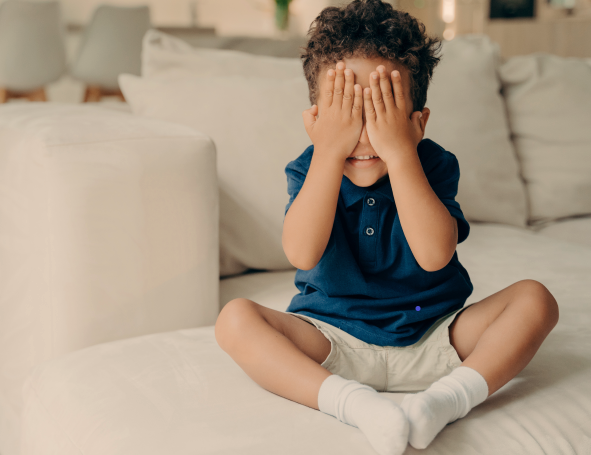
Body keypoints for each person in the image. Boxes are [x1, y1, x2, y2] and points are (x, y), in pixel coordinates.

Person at [214, 1, 559, 454]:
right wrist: (328, 152)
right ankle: (352, 404)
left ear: (418, 122)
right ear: (316, 121)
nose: (363, 133)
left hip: (436, 333)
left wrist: (400, 154)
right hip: (331, 339)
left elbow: (434, 254)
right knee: (235, 319)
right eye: (346, 113)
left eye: (381, 113)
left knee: (536, 299)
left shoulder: (432, 164)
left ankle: (445, 401)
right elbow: (301, 253)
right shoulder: (309, 168)